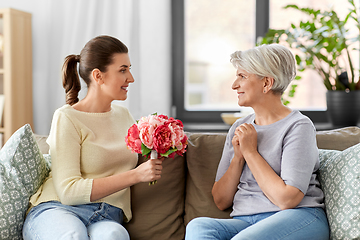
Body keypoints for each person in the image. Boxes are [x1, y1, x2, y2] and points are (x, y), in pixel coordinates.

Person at [22, 35, 164, 240]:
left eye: (129, 69)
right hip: (59, 209)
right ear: (98, 76)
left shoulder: (124, 116)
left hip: (107, 215)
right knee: (73, 236)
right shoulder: (67, 117)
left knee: (115, 236)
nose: (130, 78)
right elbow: (68, 192)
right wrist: (136, 175)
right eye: (123, 70)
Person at [185, 44, 330, 240]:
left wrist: (251, 152)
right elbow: (221, 201)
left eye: (242, 76)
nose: (234, 84)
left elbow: (287, 199)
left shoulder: (298, 126)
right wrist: (238, 157)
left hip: (298, 216)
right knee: (199, 226)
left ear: (267, 83)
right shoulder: (240, 126)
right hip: (246, 221)